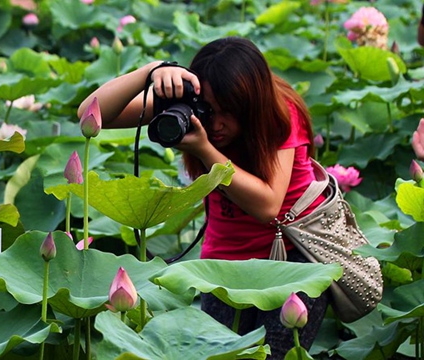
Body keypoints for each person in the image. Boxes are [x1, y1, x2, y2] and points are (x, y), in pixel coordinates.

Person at [77, 36, 329, 359]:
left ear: (251, 103)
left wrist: (204, 149)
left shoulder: (281, 113)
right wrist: (152, 72)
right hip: (222, 265)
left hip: (290, 260)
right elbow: (91, 113)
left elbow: (268, 205)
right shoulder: (198, 111)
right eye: (211, 110)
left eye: (230, 112)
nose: (218, 124)